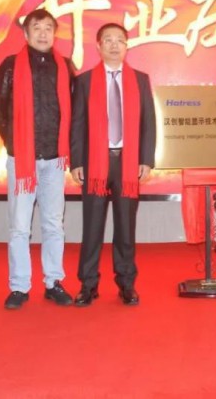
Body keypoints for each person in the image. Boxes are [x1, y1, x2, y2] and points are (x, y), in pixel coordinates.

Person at [0, 8, 74, 309]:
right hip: (22, 160)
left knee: (53, 225)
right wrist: (14, 141)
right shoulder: (11, 66)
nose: (43, 33)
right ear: (26, 33)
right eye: (37, 28)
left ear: (55, 33)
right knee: (20, 227)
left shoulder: (65, 67)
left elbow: (73, 111)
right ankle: (19, 287)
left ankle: (53, 282)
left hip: (54, 160)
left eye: (48, 28)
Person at [70, 23, 156, 307]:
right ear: (98, 46)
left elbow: (148, 123)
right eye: (108, 40)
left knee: (126, 228)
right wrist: (77, 161)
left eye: (120, 40)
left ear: (127, 46)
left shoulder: (140, 80)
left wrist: (146, 159)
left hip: (127, 164)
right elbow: (77, 124)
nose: (114, 45)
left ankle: (126, 284)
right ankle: (88, 285)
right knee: (92, 228)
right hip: (95, 164)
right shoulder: (84, 81)